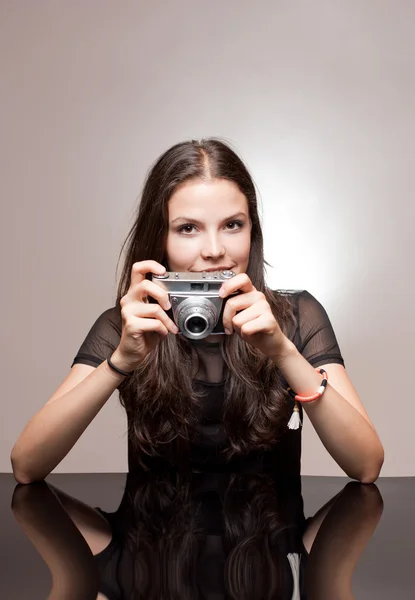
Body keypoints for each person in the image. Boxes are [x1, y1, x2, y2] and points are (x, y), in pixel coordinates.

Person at [10, 138, 384, 483]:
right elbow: (27, 466)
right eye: (188, 228)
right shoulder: (129, 325)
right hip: (156, 545)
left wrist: (283, 351)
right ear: (161, 238)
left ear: (253, 231)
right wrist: (120, 361)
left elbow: (366, 465)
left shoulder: (297, 315)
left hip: (267, 543)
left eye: (232, 225)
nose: (213, 249)